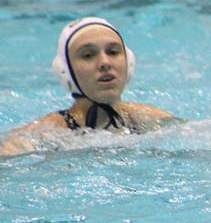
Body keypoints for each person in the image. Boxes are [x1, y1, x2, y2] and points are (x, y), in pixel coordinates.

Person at [0, 17, 176, 155]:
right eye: (88, 55)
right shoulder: (48, 132)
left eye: (113, 52)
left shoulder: (147, 119)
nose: (105, 63)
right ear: (65, 71)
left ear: (129, 63)